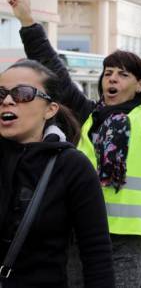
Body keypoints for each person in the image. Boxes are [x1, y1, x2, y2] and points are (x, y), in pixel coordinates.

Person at [9, 0, 141, 287]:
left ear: (140, 84)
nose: (112, 79)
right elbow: (54, 70)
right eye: (107, 73)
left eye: (122, 74)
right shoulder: (87, 116)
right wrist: (27, 21)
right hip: (80, 232)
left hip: (126, 239)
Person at [0, 60, 114, 287]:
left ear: (50, 109)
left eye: (22, 93)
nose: (7, 100)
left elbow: (96, 251)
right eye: (1, 93)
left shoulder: (71, 166)